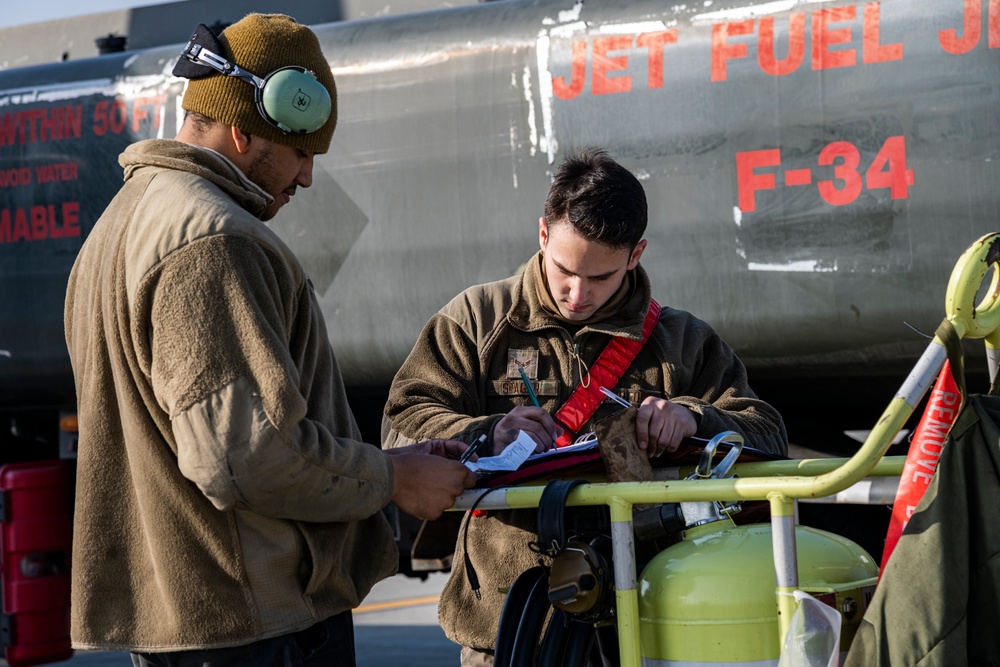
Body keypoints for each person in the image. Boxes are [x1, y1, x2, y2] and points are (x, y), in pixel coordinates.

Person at [63, 13, 475, 667]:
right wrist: (392, 476)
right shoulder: (214, 239)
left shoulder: (118, 229)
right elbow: (243, 457)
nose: (308, 177)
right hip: (255, 626)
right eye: (304, 151)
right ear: (244, 126)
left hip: (190, 623)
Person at [381, 147, 788, 665]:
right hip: (510, 624)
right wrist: (488, 432)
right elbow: (401, 428)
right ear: (543, 234)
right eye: (565, 271)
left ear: (635, 255)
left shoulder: (683, 341)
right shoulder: (476, 320)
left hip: (650, 621)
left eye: (601, 278)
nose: (577, 294)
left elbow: (767, 430)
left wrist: (693, 418)